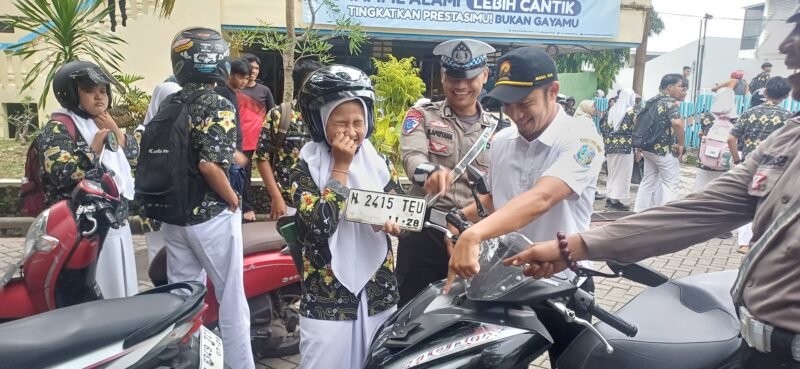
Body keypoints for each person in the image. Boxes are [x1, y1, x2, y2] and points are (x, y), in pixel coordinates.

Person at [504, 10, 800, 368]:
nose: (787, 44)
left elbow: (544, 196)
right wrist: (572, 248)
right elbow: (700, 211)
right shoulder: (789, 137)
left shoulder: (579, 134)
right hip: (760, 351)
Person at [446, 47, 605, 367]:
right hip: (504, 283)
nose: (515, 114)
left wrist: (473, 235)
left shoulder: (583, 138)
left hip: (563, 282)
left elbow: (542, 198)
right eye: (507, 105)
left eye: (525, 103)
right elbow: (497, 198)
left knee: (571, 362)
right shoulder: (502, 142)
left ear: (553, 92)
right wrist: (459, 219)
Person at [289, 65, 402, 369]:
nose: (352, 132)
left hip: (378, 288)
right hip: (327, 295)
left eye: (358, 122)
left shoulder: (378, 163)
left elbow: (398, 208)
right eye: (341, 123)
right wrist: (341, 166)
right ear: (320, 122)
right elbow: (320, 224)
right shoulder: (305, 167)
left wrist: (391, 221)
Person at [160, 28, 254, 369]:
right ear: (217, 61)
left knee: (183, 299)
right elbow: (208, 165)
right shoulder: (216, 102)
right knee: (231, 298)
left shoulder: (170, 101)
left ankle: (188, 361)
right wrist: (233, 200)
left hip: (174, 216)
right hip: (210, 216)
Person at [396, 38, 498, 307]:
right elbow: (411, 158)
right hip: (425, 231)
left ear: (484, 76)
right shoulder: (422, 115)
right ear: (443, 76)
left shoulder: (500, 130)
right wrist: (428, 173)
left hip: (472, 235)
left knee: (469, 313)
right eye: (453, 77)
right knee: (411, 311)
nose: (461, 85)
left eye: (470, 77)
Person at [38, 61, 139, 298]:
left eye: (103, 91)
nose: (99, 97)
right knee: (98, 291)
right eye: (90, 91)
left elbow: (134, 161)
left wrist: (117, 133)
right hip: (85, 231)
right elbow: (62, 173)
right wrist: (93, 150)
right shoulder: (58, 129)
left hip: (116, 224)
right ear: (72, 94)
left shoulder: (103, 122)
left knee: (122, 290)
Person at [728, 76, 792, 254]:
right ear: (786, 95)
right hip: (775, 168)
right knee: (768, 204)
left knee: (748, 203)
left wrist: (737, 160)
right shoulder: (788, 118)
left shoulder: (749, 113)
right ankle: (763, 242)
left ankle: (743, 243)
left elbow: (731, 138)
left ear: (765, 92)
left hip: (750, 164)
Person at [254, 59, 321, 220]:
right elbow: (261, 157)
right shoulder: (279, 115)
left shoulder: (328, 118)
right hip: (288, 203)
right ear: (300, 85)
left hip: (321, 203)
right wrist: (276, 197)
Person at [135, 78, 181, 262]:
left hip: (177, 201)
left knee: (179, 254)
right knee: (157, 253)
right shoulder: (142, 133)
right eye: (168, 100)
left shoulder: (181, 126)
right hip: (153, 199)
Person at [633, 74, 686, 212]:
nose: (682, 89)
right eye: (680, 86)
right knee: (671, 183)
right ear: (669, 87)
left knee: (648, 181)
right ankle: (666, 218)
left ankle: (639, 213)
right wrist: (681, 144)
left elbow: (636, 120)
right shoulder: (670, 102)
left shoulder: (651, 101)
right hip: (663, 150)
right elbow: (677, 123)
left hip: (648, 148)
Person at [238, 53, 276, 221]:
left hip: (262, 141)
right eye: (250, 68)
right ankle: (247, 208)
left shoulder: (264, 91)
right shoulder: (235, 90)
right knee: (243, 175)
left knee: (272, 172)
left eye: (257, 68)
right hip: (242, 141)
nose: (254, 71)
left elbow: (272, 114)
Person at [214, 58, 251, 198]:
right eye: (241, 77)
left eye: (246, 79)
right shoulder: (221, 92)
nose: (244, 82)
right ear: (231, 75)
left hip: (235, 148)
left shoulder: (233, 93)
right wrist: (233, 150)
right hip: (228, 152)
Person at [693, 88, 739, 192]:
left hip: (705, 162)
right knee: (719, 194)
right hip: (725, 163)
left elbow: (705, 132)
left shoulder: (706, 116)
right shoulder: (737, 120)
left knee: (700, 192)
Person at [600, 88, 636, 210]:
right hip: (624, 148)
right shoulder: (630, 111)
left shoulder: (612, 110)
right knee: (622, 174)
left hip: (610, 147)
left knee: (613, 173)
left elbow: (603, 126)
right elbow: (636, 128)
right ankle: (615, 201)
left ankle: (611, 198)